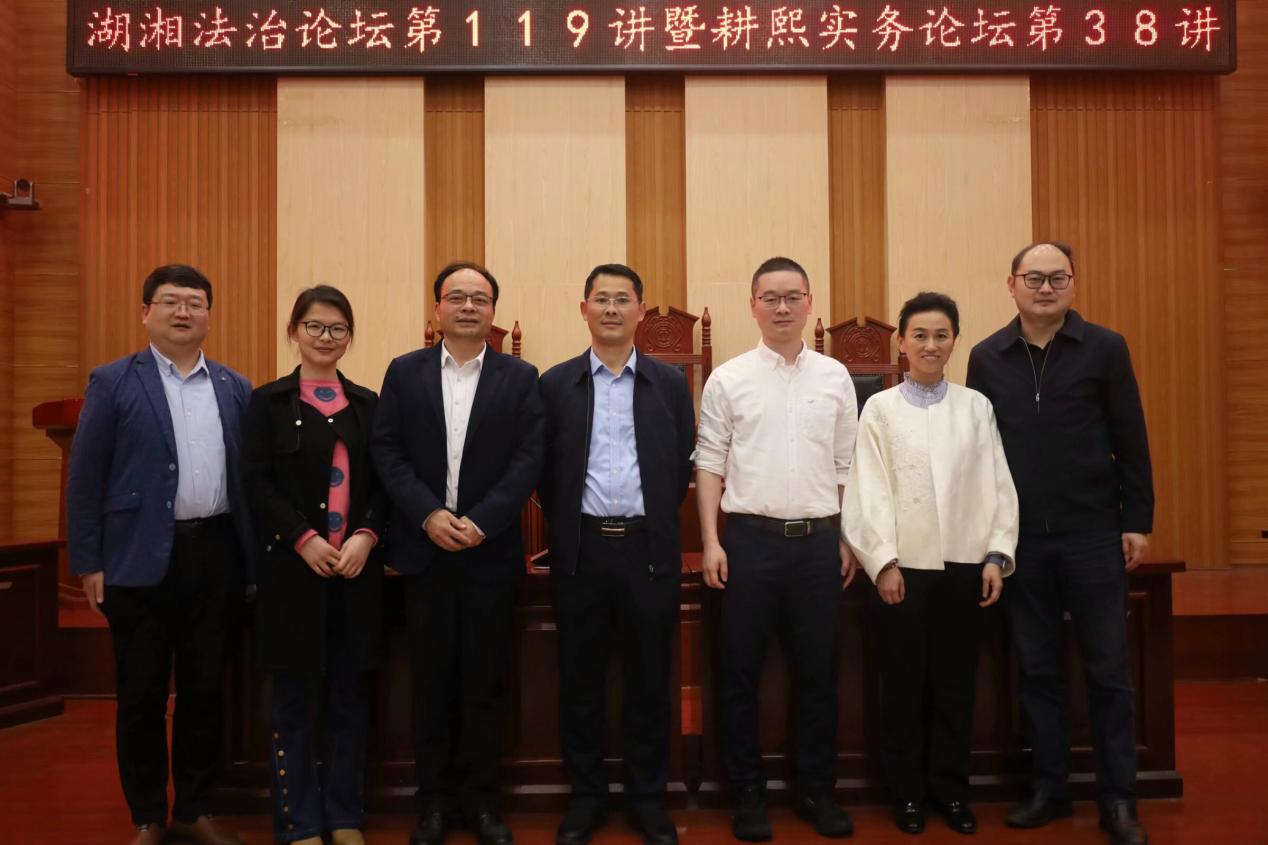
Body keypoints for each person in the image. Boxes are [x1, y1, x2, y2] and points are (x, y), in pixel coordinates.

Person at [966, 242, 1153, 845]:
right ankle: (1049, 789)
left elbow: (1130, 435)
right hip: (1021, 541)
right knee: (1038, 671)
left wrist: (1137, 520)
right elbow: (978, 453)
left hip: (1092, 534)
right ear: (1012, 284)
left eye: (1057, 278)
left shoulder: (1105, 348)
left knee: (1109, 672)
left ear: (1073, 284)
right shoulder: (987, 357)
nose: (1045, 288)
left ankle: (1118, 799)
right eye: (1034, 278)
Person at [66, 264, 254, 845]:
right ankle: (147, 816)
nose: (183, 312)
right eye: (170, 301)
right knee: (142, 694)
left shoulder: (235, 387)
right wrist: (89, 562)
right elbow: (85, 478)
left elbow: (249, 480)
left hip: (215, 556)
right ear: (146, 312)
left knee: (205, 690)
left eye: (195, 303)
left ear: (209, 316)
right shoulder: (113, 382)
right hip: (137, 562)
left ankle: (194, 808)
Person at [371, 261, 545, 845]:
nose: (469, 306)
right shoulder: (405, 372)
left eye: (480, 298)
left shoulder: (520, 377)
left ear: (493, 310)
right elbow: (387, 451)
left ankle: (482, 802)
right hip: (424, 553)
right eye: (457, 297)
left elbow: (529, 458)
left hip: (489, 554)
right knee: (431, 683)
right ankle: (434, 804)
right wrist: (428, 514)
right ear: (438, 308)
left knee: (484, 683)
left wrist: (482, 522)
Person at [841, 292, 1018, 836]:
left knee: (955, 687)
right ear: (902, 342)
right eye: (919, 335)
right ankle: (908, 795)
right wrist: (882, 562)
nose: (930, 345)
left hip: (965, 567)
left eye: (941, 335)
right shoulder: (880, 409)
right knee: (903, 687)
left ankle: (951, 792)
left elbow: (997, 482)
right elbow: (867, 490)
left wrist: (997, 553)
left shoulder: (975, 407)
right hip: (903, 572)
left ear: (954, 341)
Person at [694, 256, 859, 842]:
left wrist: (846, 536)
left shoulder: (835, 377)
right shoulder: (728, 378)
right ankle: (747, 794)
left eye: (793, 297)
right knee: (740, 673)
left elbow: (847, 464)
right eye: (771, 298)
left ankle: (816, 791)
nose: (782, 308)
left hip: (818, 545)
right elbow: (709, 463)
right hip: (748, 544)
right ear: (753, 305)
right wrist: (711, 540)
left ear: (809, 302)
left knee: (818, 673)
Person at [538, 264, 695, 845]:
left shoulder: (668, 383)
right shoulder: (555, 384)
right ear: (584, 309)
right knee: (580, 683)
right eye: (600, 299)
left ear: (640, 311)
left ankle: (648, 800)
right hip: (580, 553)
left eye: (622, 299)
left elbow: (678, 464)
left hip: (647, 553)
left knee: (649, 682)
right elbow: (543, 471)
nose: (610, 309)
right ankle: (586, 798)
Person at [243, 286, 387, 845]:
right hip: (291, 574)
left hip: (356, 573)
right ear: (294, 332)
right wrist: (302, 538)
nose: (326, 338)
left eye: (337, 329)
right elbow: (256, 484)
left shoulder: (369, 405)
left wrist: (367, 536)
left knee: (351, 696)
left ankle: (344, 815)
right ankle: (299, 821)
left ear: (350, 337)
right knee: (293, 701)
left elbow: (386, 485)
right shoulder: (267, 403)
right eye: (315, 327)